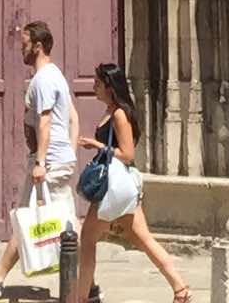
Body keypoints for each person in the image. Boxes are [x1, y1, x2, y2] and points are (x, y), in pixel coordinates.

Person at [65, 64, 187, 303]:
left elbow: (128, 154)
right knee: (144, 239)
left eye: (98, 83)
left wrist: (97, 145)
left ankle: (81, 298)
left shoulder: (120, 113)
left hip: (114, 187)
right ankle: (180, 289)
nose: (93, 87)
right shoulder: (111, 110)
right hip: (119, 188)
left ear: (110, 87)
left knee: (87, 240)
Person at [0, 22, 74, 298]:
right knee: (48, 220)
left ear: (38, 46)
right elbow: (73, 116)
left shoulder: (43, 79)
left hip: (48, 162)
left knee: (47, 221)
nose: (21, 50)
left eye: (25, 45)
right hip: (56, 159)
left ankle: (83, 284)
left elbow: (44, 121)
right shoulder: (56, 76)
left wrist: (41, 161)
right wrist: (70, 151)